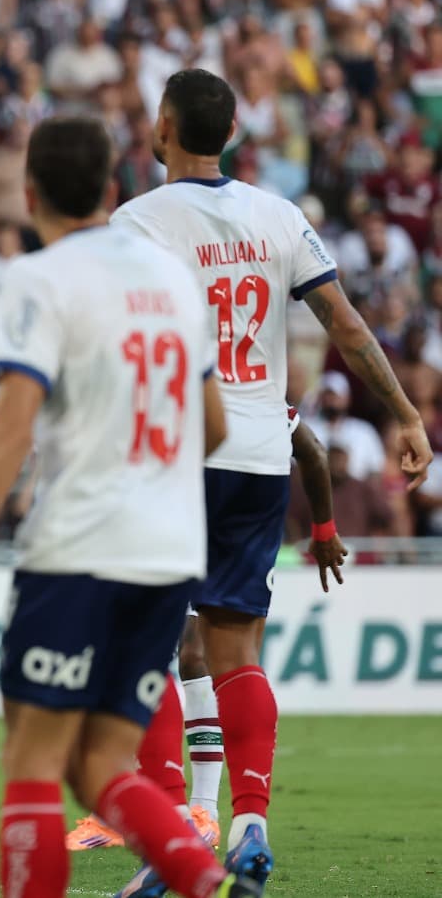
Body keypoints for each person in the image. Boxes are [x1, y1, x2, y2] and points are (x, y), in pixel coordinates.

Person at [0, 117, 254, 898]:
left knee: (32, 761)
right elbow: (216, 424)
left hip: (79, 548)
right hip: (168, 553)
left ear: (28, 195)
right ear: (111, 189)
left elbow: (9, 431)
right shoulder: (173, 279)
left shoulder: (39, 278)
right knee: (99, 762)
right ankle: (209, 880)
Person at [109, 69, 432, 891]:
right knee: (236, 651)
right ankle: (248, 821)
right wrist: (404, 414)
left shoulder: (138, 221)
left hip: (177, 447)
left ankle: (166, 844)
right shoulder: (279, 216)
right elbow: (348, 327)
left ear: (167, 125)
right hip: (260, 450)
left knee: (136, 644)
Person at [67, 406, 347, 856]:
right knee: (192, 651)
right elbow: (310, 450)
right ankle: (180, 810)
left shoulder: (189, 372)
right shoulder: (256, 389)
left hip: (183, 503)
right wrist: (325, 528)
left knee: (162, 649)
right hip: (239, 497)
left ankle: (187, 811)